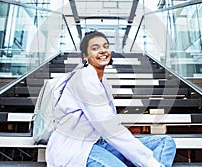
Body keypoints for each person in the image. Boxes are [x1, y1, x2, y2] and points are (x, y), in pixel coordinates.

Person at [46, 31, 176, 167]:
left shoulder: (103, 82)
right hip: (75, 147)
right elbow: (109, 128)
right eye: (95, 48)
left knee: (165, 142)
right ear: (85, 56)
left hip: (99, 143)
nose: (103, 51)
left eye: (105, 46)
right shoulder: (83, 80)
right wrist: (148, 162)